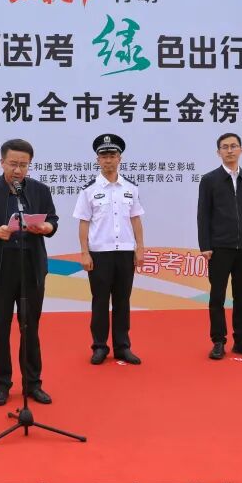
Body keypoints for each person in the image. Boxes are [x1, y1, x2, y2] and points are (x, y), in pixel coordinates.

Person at [0, 139, 58, 406]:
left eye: (23, 165)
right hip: (0, 268)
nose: (18, 170)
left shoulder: (39, 190)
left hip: (31, 267)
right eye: (13, 164)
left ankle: (33, 383)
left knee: (30, 328)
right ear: (2, 162)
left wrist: (44, 228)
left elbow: (53, 221)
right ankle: (1, 384)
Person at [72, 134, 145, 366]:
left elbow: (136, 219)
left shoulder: (130, 188)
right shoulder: (89, 190)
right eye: (104, 156)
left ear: (119, 158)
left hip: (125, 252)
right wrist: (84, 252)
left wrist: (140, 248)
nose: (108, 160)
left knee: (123, 301)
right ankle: (100, 346)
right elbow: (84, 223)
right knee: (100, 301)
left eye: (112, 155)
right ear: (98, 160)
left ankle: (123, 347)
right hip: (99, 254)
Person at [197, 133, 242, 360]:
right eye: (225, 147)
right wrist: (205, 245)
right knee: (217, 296)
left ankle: (241, 340)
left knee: (241, 296)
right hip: (219, 248)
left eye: (233, 146)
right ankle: (218, 341)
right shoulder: (209, 180)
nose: (229, 150)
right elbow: (203, 215)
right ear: (218, 152)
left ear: (241, 150)